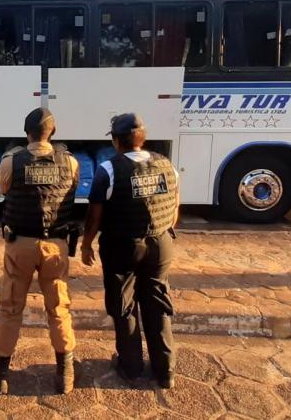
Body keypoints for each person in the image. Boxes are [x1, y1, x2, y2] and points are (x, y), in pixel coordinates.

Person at [0, 108, 80, 395]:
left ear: (26, 132)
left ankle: (0, 372)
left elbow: (4, 190)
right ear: (53, 131)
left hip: (20, 245)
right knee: (59, 307)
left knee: (11, 307)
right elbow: (70, 190)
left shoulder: (11, 161)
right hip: (56, 246)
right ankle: (65, 373)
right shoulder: (71, 163)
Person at [80, 113, 180, 388]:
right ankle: (166, 370)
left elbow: (95, 215)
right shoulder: (165, 164)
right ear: (143, 138)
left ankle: (132, 367)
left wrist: (86, 243)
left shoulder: (109, 170)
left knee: (124, 306)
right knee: (158, 302)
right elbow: (174, 208)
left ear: (115, 141)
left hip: (122, 246)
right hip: (161, 243)